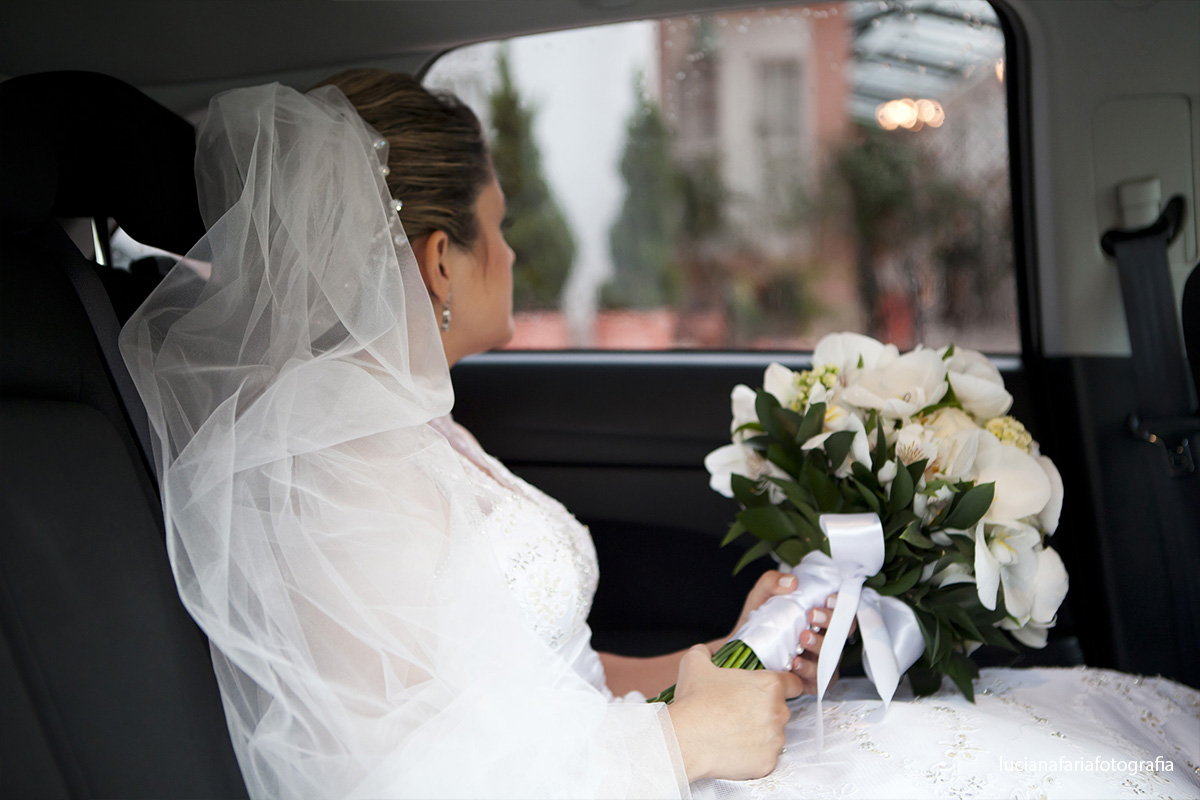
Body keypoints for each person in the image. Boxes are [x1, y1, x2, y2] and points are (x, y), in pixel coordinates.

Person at [120, 74, 1199, 799]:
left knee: (1092, 726)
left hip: (611, 759)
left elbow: (519, 678)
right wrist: (679, 741)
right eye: (496, 228)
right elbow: (403, 768)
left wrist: (715, 656)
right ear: (440, 260)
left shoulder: (410, 425)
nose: (513, 256)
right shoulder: (325, 465)